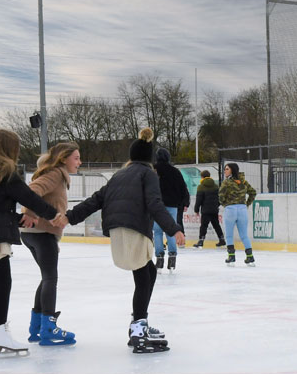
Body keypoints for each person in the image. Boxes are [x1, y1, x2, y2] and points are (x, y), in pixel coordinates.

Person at [65, 127, 185, 353]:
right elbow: (154, 203)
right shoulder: (148, 174)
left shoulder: (119, 175)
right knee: (143, 276)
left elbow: (95, 200)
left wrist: (71, 217)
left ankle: (139, 324)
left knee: (148, 273)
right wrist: (174, 229)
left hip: (118, 230)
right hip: (134, 229)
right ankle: (138, 331)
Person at [0, 129, 65, 354]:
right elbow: (30, 198)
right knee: (3, 283)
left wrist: (19, 219)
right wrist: (53, 214)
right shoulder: (6, 174)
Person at [19, 141, 81, 346]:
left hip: (37, 233)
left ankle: (36, 327)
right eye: (76, 158)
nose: (79, 162)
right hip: (40, 232)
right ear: (64, 158)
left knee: (46, 277)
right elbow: (32, 190)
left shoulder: (59, 175)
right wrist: (30, 213)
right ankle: (48, 327)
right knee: (50, 278)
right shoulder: (56, 173)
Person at [152, 147, 190, 271]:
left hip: (157, 206)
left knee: (157, 232)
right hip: (172, 206)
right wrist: (184, 202)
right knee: (171, 231)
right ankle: (172, 256)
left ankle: (159, 257)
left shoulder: (153, 171)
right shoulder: (175, 171)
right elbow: (182, 188)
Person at [218, 162, 256, 266]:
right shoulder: (243, 181)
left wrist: (226, 204)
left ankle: (231, 257)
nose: (225, 171)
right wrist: (246, 204)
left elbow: (221, 197)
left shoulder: (226, 183)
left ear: (232, 170)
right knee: (244, 235)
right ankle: (250, 257)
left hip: (230, 209)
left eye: (227, 169)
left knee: (229, 235)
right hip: (242, 209)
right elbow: (253, 192)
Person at [192, 169, 225, 248]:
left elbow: (199, 199)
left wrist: (196, 210)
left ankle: (201, 241)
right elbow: (220, 198)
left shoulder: (201, 186)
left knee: (204, 225)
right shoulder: (216, 186)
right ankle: (222, 239)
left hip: (205, 210)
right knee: (216, 225)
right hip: (214, 209)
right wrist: (216, 205)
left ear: (202, 177)